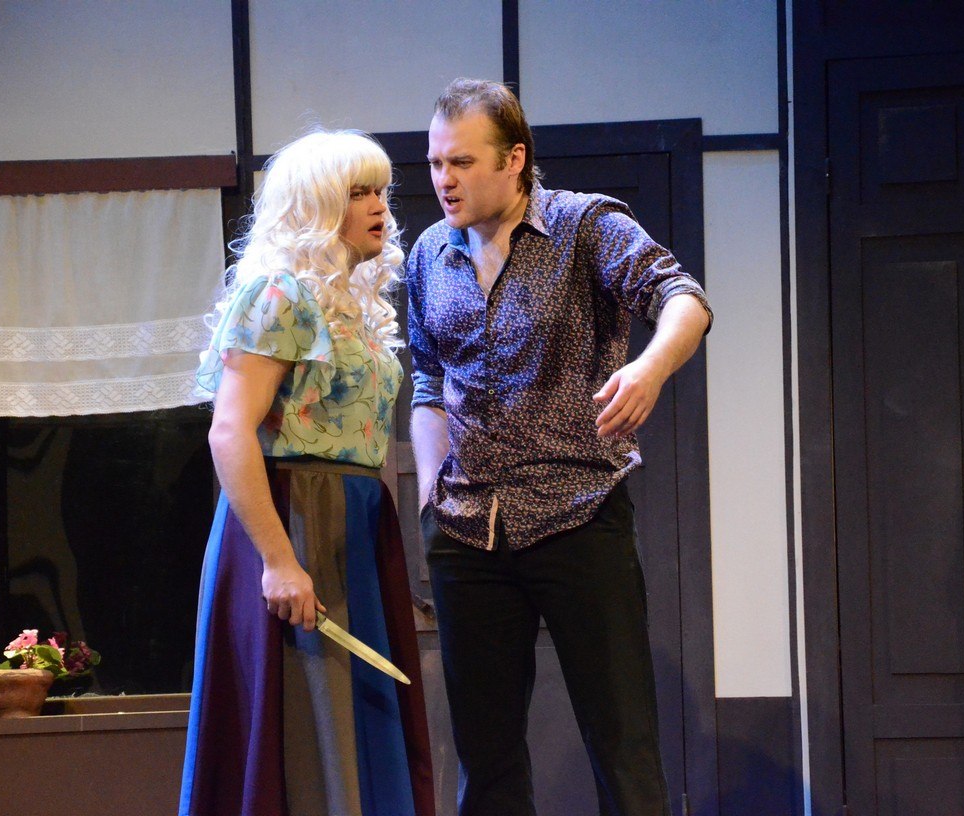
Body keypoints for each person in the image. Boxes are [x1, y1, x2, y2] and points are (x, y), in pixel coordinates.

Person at [406, 79, 713, 816]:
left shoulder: (583, 225)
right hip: (468, 530)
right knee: (485, 760)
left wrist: (648, 368)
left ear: (514, 159)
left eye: (462, 162)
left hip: (578, 513)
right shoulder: (429, 253)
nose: (444, 180)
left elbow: (684, 298)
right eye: (436, 162)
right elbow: (427, 378)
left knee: (621, 744)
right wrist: (428, 494)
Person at [179, 130, 433, 816]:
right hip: (294, 515)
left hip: (354, 519)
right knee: (304, 722)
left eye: (381, 191)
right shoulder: (279, 294)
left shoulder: (352, 304)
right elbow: (230, 430)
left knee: (357, 720)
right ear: (317, 205)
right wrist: (278, 560)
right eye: (358, 193)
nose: (380, 206)